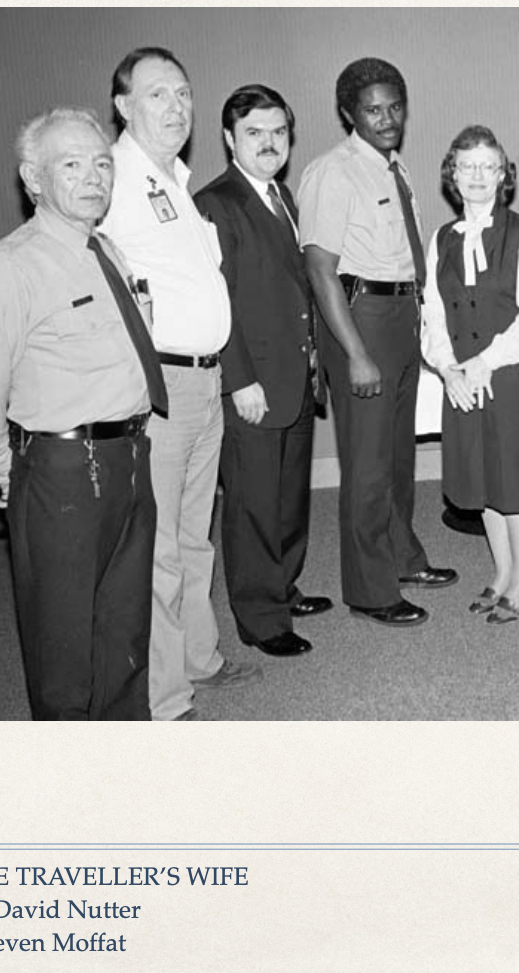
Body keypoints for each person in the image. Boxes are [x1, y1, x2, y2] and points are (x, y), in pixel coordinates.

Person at [0, 108, 158, 719]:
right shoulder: (10, 268)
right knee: (64, 644)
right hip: (60, 471)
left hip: (129, 456)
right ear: (33, 178)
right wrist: (16, 476)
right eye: (71, 164)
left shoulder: (104, 251)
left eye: (102, 163)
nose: (93, 177)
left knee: (124, 631)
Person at [96, 47, 258, 721]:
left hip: (204, 383)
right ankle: (164, 698)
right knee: (158, 548)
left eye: (184, 94)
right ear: (124, 106)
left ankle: (200, 657)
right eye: (158, 94)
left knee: (196, 537)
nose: (176, 107)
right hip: (158, 389)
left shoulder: (173, 184)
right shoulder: (114, 180)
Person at [300, 56, 457, 628]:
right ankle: (369, 589)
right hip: (360, 319)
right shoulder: (332, 172)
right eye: (373, 109)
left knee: (397, 457)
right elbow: (319, 269)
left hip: (399, 314)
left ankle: (402, 557)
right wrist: (357, 354)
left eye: (394, 107)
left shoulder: (395, 168)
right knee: (366, 466)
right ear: (348, 113)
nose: (386, 118)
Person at [193, 84, 329, 660]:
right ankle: (260, 617)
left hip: (295, 376)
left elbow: (296, 286)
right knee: (252, 503)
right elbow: (214, 298)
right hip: (252, 384)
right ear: (229, 138)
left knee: (289, 497)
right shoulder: (216, 203)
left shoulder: (283, 196)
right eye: (255, 132)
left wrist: (315, 350)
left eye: (278, 132)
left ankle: (283, 585)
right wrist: (238, 379)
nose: (269, 143)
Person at [422, 126, 519, 623]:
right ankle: (503, 573)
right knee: (484, 481)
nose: (478, 176)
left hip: (509, 378)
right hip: (463, 380)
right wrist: (448, 369)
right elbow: (433, 315)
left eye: (488, 166)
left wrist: (485, 361)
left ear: (504, 174)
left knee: (516, 483)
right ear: (452, 175)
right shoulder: (441, 239)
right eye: (467, 166)